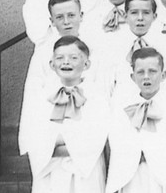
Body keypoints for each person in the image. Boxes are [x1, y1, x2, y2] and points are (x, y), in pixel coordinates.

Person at [22, 36, 110, 193]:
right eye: (60, 57)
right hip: (50, 173)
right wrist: (71, 137)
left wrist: (57, 140)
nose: (66, 62)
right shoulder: (42, 97)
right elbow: (35, 133)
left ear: (87, 63)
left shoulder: (97, 96)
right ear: (51, 64)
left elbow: (96, 135)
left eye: (74, 57)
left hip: (85, 174)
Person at [106, 48, 166, 193]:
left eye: (152, 71)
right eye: (140, 72)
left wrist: (149, 151)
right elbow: (117, 139)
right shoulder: (123, 107)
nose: (146, 77)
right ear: (132, 77)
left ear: (163, 75)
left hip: (161, 175)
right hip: (132, 174)